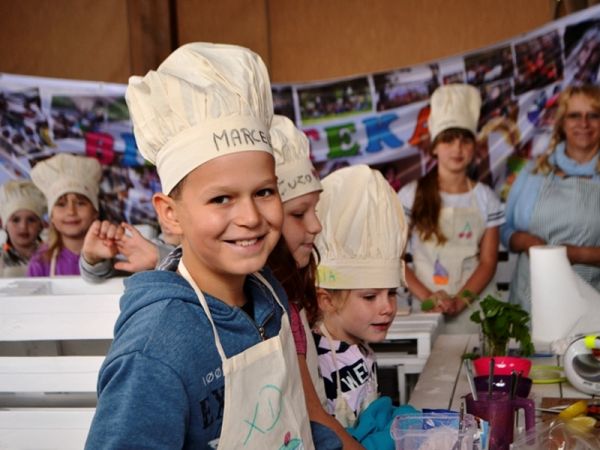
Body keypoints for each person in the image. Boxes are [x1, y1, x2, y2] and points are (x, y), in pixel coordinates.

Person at [86, 43, 338, 449]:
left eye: (264, 192)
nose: (251, 217)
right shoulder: (155, 350)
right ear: (170, 214)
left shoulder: (268, 293)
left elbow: (295, 424)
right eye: (221, 198)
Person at [267, 115, 363, 449]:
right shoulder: (273, 308)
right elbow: (312, 411)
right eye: (298, 213)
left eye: (316, 210)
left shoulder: (290, 297)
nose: (317, 225)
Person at [398, 84, 505, 333]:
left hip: (474, 310)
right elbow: (397, 259)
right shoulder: (410, 195)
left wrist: (461, 300)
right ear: (434, 147)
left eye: (465, 140)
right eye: (448, 140)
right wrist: (429, 297)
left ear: (474, 147)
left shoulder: (486, 198)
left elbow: (488, 262)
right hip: (425, 309)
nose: (457, 148)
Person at [311, 164, 408, 428]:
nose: (386, 307)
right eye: (369, 297)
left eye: (391, 293)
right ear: (326, 300)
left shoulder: (359, 347)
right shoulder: (317, 364)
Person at [501, 84, 600, 312]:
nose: (583, 124)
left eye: (593, 115)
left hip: (592, 308)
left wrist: (578, 254)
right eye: (574, 115)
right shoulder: (533, 172)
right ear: (562, 123)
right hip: (530, 305)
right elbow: (505, 230)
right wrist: (525, 241)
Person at [27, 153, 102, 277]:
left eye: (80, 203)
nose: (71, 211)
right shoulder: (39, 263)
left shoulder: (108, 256)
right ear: (51, 216)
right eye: (61, 204)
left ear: (95, 211)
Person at [79, 214, 179, 283]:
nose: (168, 214)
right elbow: (98, 277)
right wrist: (93, 259)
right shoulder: (151, 247)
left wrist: (162, 257)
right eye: (164, 203)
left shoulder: (154, 251)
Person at [0, 180, 46, 277]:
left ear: (41, 225)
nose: (23, 226)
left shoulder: (51, 256)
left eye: (31, 220)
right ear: (4, 225)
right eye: (16, 220)